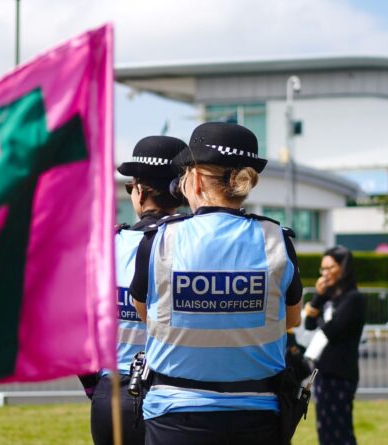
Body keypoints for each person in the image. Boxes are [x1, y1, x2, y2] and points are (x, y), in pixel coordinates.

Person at [129, 122, 304, 445]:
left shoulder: (160, 240)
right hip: (259, 414)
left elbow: (144, 312)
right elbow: (291, 319)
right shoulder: (276, 239)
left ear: (194, 179)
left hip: (174, 412)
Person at [88, 135, 186, 445]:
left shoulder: (106, 246)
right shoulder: (200, 245)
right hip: (180, 392)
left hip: (114, 392)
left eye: (131, 187)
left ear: (140, 190)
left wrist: (96, 389)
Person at [304, 246, 365, 445]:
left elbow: (333, 330)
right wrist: (318, 297)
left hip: (341, 372)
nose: (324, 273)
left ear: (343, 268)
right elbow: (309, 324)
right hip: (322, 371)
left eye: (329, 268)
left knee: (341, 430)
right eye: (322, 269)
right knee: (325, 429)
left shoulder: (353, 298)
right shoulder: (330, 297)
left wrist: (315, 313)